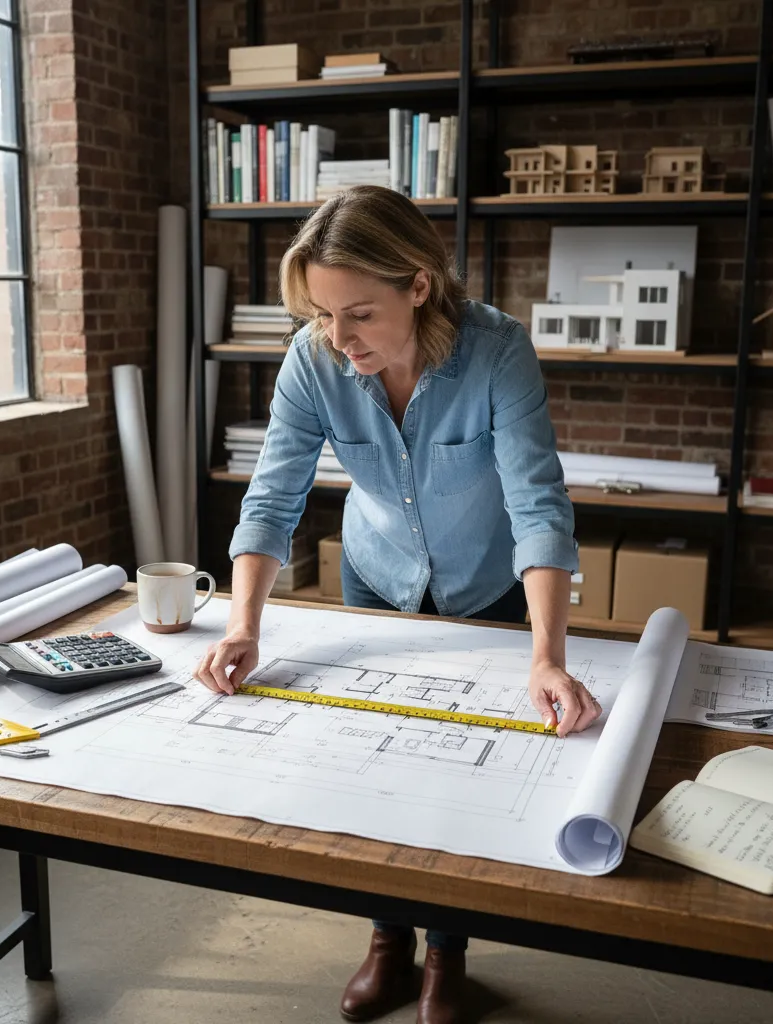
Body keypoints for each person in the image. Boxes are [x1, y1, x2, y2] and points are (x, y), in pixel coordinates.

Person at [194, 185, 601, 1024]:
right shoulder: (313, 359)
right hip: (375, 581)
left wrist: (546, 654)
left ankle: (447, 953)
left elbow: (538, 505)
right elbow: (273, 497)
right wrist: (244, 625)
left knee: (457, 780)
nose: (338, 340)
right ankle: (387, 941)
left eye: (358, 315)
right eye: (321, 313)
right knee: (371, 764)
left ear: (419, 286)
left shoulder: (497, 352)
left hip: (487, 592)